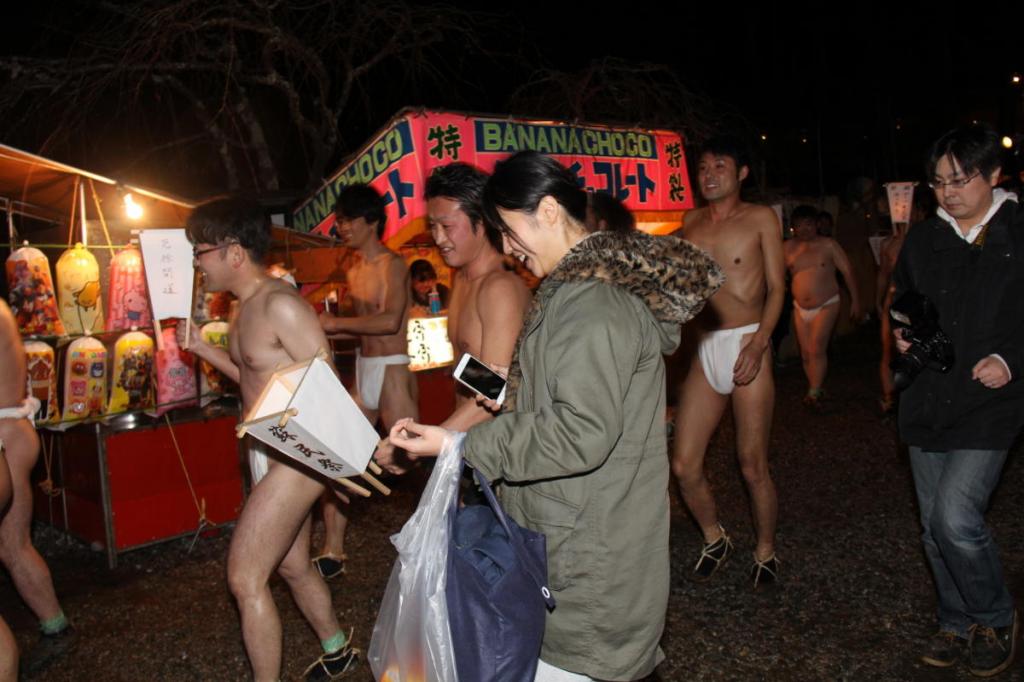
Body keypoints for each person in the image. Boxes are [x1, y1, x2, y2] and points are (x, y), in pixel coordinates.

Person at [390, 151, 723, 681]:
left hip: (589, 564)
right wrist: (512, 391)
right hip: (571, 542)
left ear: (547, 211)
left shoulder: (591, 304)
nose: (507, 246)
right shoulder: (568, 293)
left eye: (509, 229)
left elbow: (579, 432)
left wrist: (460, 446)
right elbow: (556, 392)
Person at [179, 198, 357, 681]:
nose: (197, 262)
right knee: (293, 564)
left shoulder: (280, 303)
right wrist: (200, 348)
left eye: (202, 250)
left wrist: (337, 465)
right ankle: (338, 649)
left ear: (234, 252)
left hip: (296, 454)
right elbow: (249, 375)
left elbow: (328, 383)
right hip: (264, 446)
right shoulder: (242, 309)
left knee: (244, 577)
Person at [893, 123, 1022, 677]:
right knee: (930, 526)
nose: (948, 191)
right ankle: (955, 618)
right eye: (939, 181)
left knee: (955, 517)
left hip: (992, 401)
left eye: (961, 179)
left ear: (994, 176)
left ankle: (995, 615)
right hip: (927, 397)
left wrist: (1012, 360)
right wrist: (902, 331)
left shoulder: (1018, 232)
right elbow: (903, 301)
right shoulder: (924, 238)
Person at [670, 135, 785, 587]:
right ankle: (715, 536)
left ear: (741, 173)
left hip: (746, 342)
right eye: (703, 167)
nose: (709, 173)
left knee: (752, 463)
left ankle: (765, 548)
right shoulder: (690, 221)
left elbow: (778, 288)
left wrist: (759, 344)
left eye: (720, 165)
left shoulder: (759, 218)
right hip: (704, 347)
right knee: (684, 464)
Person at [315, 185, 418, 578]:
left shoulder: (394, 264)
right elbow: (357, 329)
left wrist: (333, 323)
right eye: (339, 220)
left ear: (370, 221)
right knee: (337, 455)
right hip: (364, 369)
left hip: (392, 367)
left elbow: (390, 319)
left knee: (410, 458)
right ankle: (333, 549)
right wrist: (316, 327)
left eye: (346, 220)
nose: (340, 227)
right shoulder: (353, 268)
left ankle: (446, 531)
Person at [0, 300, 72, 676]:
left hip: (5, 437)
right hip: (14, 432)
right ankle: (55, 624)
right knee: (14, 544)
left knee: (13, 545)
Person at [783, 204, 862, 408]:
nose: (805, 229)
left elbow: (848, 271)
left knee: (817, 347)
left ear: (816, 225)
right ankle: (815, 385)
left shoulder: (828, 245)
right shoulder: (787, 248)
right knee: (806, 352)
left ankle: (814, 391)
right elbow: (774, 274)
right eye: (799, 226)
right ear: (793, 228)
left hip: (827, 303)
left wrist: (856, 300)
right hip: (800, 306)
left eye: (808, 224)